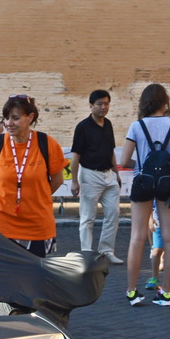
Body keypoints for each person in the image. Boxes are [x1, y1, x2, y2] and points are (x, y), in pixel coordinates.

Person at [116, 84, 170, 305]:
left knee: (137, 237)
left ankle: (132, 291)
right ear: (165, 103)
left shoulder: (137, 126)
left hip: (142, 182)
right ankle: (165, 292)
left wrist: (143, 166)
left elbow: (124, 161)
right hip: (168, 183)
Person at [0, 94, 65, 258]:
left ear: (30, 118)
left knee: (35, 277)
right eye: (6, 118)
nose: (9, 123)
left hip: (37, 224)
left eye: (15, 118)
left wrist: (38, 195)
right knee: (1, 276)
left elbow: (58, 180)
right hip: (0, 223)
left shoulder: (47, 144)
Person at [70, 90, 122, 263]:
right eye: (99, 104)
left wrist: (116, 173)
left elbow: (111, 151)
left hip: (109, 175)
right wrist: (74, 181)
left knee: (113, 213)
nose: (103, 107)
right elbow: (75, 156)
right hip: (90, 175)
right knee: (87, 217)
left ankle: (106, 250)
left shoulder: (108, 124)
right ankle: (87, 253)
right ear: (91, 106)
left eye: (106, 103)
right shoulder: (82, 127)